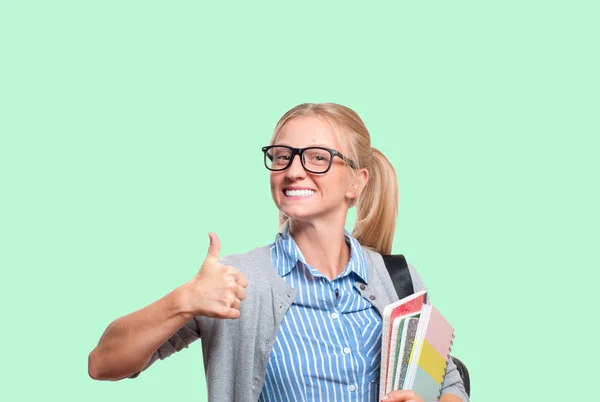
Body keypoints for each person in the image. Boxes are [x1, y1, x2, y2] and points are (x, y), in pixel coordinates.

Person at [88, 103, 469, 402]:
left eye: (317, 157)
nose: (293, 170)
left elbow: (447, 378)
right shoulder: (234, 284)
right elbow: (103, 363)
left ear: (357, 181)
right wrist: (183, 301)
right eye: (283, 155)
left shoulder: (398, 279)